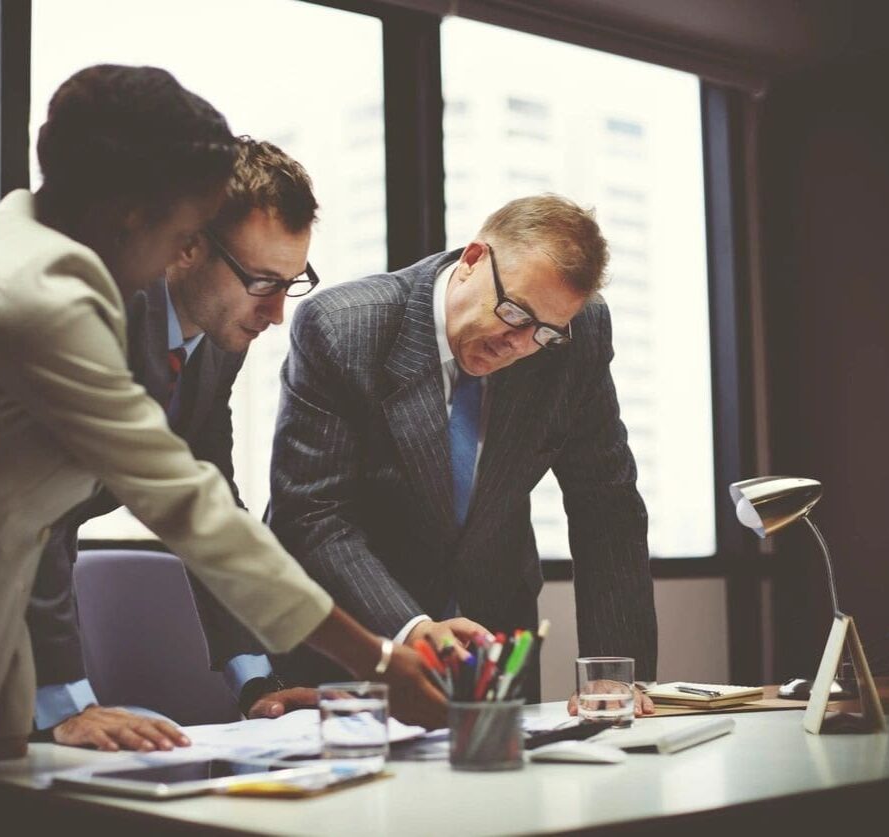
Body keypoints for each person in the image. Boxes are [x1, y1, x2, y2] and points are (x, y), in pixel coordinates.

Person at [0, 64, 443, 827]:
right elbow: (180, 501)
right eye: (182, 235)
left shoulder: (25, 251)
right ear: (130, 215)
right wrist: (376, 659)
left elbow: (43, 513)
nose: (175, 260)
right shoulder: (42, 292)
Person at [267, 193, 658, 709]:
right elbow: (313, 515)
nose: (519, 345)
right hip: (360, 643)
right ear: (473, 260)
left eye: (544, 333)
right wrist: (411, 627)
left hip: (494, 644)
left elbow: (606, 505)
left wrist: (615, 673)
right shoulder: (344, 327)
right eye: (514, 313)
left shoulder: (576, 336)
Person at [30, 138, 326, 751]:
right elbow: (35, 516)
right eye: (262, 282)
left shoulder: (220, 343)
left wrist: (257, 683)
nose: (275, 315)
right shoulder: (91, 312)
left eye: (291, 284)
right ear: (188, 247)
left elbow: (208, 507)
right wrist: (65, 701)